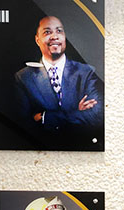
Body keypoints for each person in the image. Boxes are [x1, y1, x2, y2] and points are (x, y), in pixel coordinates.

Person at [13, 15, 103, 148]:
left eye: (59, 31)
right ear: (37, 40)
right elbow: (23, 126)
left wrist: (44, 118)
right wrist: (76, 111)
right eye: (47, 32)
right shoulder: (23, 78)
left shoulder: (87, 72)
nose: (55, 36)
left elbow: (96, 117)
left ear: (65, 37)